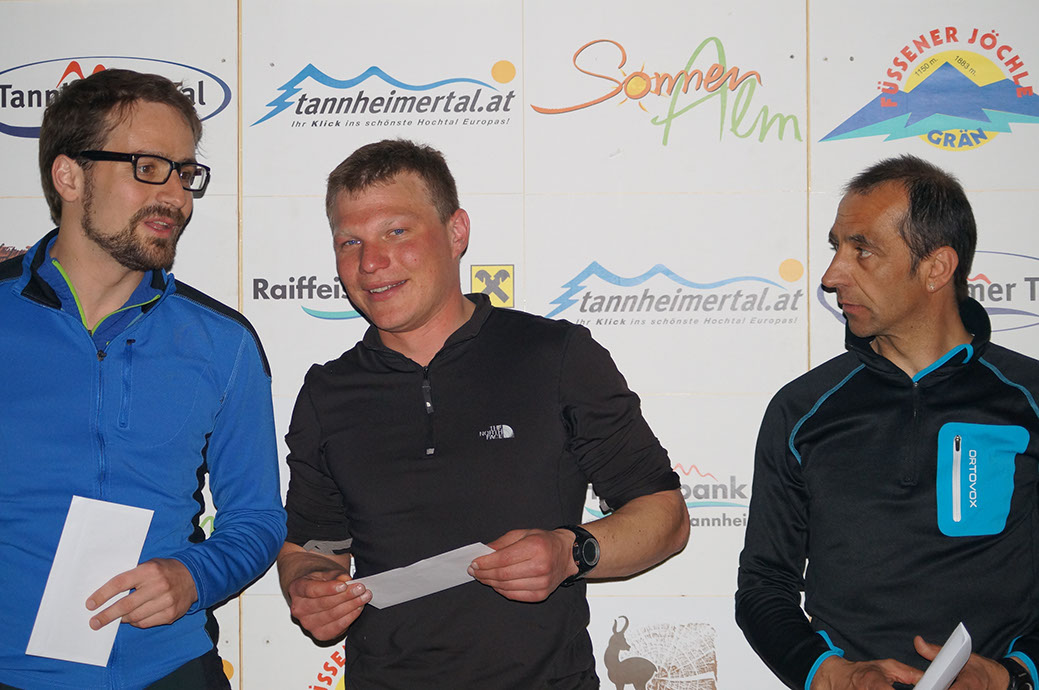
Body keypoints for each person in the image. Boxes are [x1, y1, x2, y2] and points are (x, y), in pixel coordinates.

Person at [276, 138, 690, 688]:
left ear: (456, 233)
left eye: (396, 232)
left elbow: (666, 516)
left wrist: (571, 551)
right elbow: (314, 545)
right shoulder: (327, 392)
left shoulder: (556, 356)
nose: (370, 263)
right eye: (350, 241)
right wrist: (309, 583)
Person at [0, 69, 286, 689]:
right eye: (148, 168)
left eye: (185, 173)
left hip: (172, 670)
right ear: (70, 176)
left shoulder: (224, 342)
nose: (176, 197)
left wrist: (194, 576)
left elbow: (258, 519)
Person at [735, 155, 1039, 690]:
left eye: (863, 250)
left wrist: (1012, 676)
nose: (831, 276)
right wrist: (831, 674)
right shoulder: (801, 409)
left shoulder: (1029, 399)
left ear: (936, 268)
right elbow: (764, 584)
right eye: (836, 247)